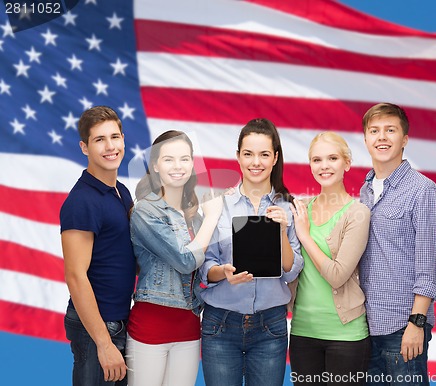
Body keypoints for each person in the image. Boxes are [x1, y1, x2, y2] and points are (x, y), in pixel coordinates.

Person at [199, 118, 304, 386]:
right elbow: (204, 267)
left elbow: (292, 272)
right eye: (248, 154)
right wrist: (223, 273)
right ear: (238, 157)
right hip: (220, 324)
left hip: (271, 326)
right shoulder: (219, 205)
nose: (255, 162)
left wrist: (281, 231)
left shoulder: (288, 207)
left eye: (264, 154)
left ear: (275, 158)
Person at [125, 130, 223, 386]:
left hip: (189, 328)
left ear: (192, 164)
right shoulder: (146, 210)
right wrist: (213, 217)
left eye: (184, 159)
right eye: (168, 159)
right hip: (150, 327)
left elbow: (204, 270)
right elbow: (185, 260)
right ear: (155, 165)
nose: (178, 166)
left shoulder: (195, 216)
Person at [359, 103, 436, 386]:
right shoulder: (366, 189)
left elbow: (429, 266)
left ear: (404, 139)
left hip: (402, 327)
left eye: (390, 130)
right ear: (366, 139)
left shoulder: (423, 191)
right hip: (366, 325)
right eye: (374, 131)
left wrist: (416, 324)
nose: (381, 137)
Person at [60, 106, 136, 385]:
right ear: (84, 147)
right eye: (99, 140)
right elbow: (75, 276)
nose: (110, 146)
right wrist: (104, 343)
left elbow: (129, 256)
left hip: (120, 321)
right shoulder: (82, 201)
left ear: (123, 140)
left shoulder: (121, 192)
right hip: (96, 329)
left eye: (114, 137)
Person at [288, 132, 371, 386]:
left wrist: (304, 235)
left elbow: (337, 275)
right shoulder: (300, 209)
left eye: (332, 158)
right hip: (303, 332)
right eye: (317, 159)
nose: (324, 165)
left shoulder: (357, 213)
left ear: (346, 163)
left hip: (345, 336)